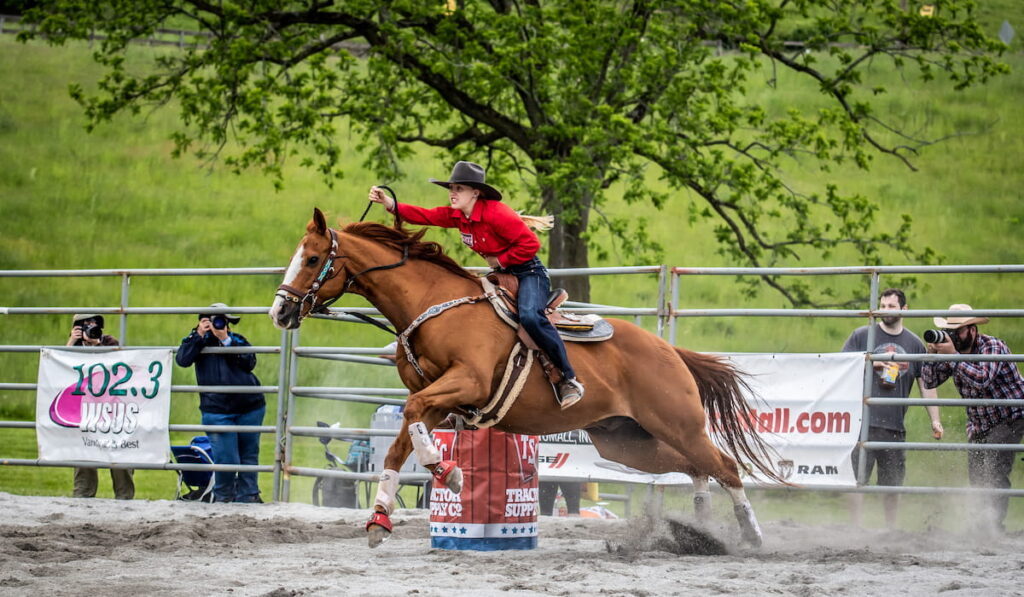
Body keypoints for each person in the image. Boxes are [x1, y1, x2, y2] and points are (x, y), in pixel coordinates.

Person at [368, 161, 584, 409]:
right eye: (451, 188)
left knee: (530, 316)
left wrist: (501, 260)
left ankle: (568, 378)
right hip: (499, 273)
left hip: (528, 273)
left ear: (475, 192)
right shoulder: (458, 215)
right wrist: (389, 204)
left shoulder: (496, 213)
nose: (452, 193)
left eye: (458, 188)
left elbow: (531, 245)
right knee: (461, 305)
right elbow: (426, 215)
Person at [842, 288, 943, 527]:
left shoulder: (914, 343)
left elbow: (926, 383)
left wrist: (935, 419)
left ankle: (890, 528)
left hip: (894, 426)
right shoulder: (861, 335)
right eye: (883, 306)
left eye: (891, 306)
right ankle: (854, 528)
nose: (885, 310)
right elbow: (842, 369)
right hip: (862, 423)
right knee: (856, 481)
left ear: (903, 309)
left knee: (892, 484)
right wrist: (872, 364)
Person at [920, 303, 1024, 533]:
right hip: (980, 422)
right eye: (949, 331)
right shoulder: (951, 351)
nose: (953, 336)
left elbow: (981, 380)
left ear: (973, 330)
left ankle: (994, 527)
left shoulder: (992, 346)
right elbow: (929, 382)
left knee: (995, 467)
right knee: (977, 474)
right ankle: (980, 523)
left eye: (958, 331)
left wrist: (953, 356)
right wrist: (931, 356)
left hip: (1012, 415)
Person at [176, 303, 266, 503]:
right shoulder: (196, 342)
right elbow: (182, 359)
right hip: (217, 411)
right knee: (227, 460)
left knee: (249, 455)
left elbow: (249, 362)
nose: (217, 324)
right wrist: (199, 334)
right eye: (212, 320)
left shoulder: (237, 340)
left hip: (250, 406)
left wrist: (225, 340)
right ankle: (223, 497)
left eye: (221, 321)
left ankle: (248, 497)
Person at [66, 314, 135, 500]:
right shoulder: (73, 347)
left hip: (113, 410)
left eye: (95, 324)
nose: (92, 327)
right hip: (85, 412)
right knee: (84, 456)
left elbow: (119, 362)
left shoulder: (109, 341)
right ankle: (82, 498)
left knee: (120, 456)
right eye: (86, 325)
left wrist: (96, 344)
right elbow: (61, 366)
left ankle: (125, 499)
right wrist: (72, 341)